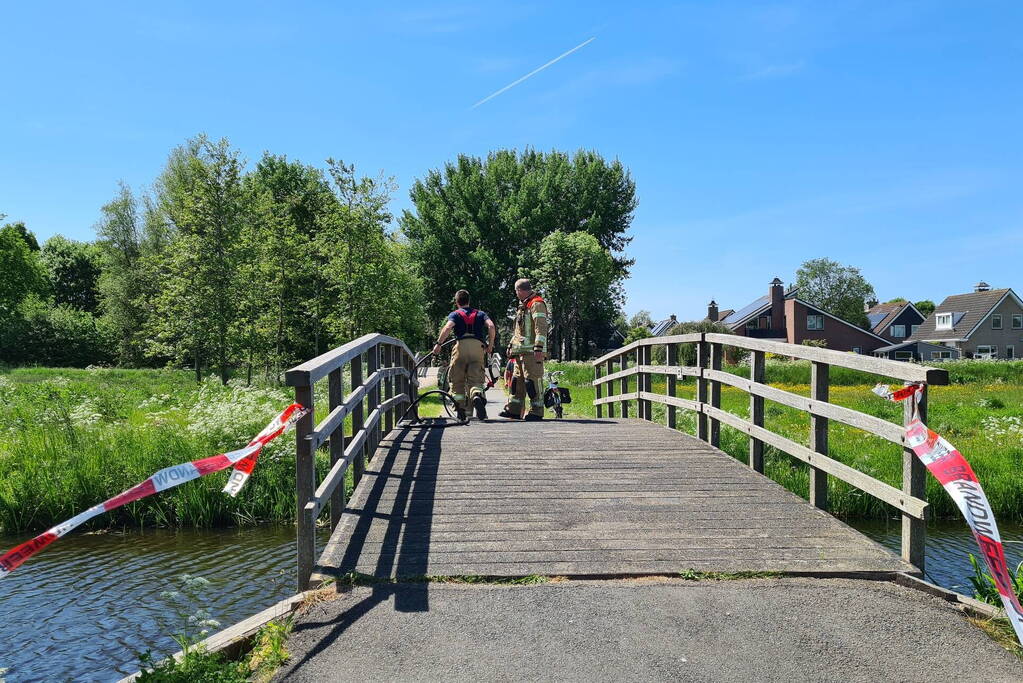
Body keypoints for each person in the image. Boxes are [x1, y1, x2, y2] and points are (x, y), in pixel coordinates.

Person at [433, 290, 496, 421]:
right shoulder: (480, 314)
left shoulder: (455, 314)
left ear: (457, 302)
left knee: (458, 380)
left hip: (460, 347)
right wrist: (490, 345)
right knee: (476, 379)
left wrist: (439, 344)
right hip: (477, 348)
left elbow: (447, 328)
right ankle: (477, 395)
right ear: (469, 301)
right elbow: (491, 326)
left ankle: (460, 408)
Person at [500, 278, 549, 421]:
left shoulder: (536, 304)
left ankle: (536, 411)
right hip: (520, 351)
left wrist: (538, 348)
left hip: (532, 353)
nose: (516, 294)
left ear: (520, 290)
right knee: (516, 382)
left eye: (516, 291)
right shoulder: (523, 306)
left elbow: (541, 327)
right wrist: (511, 345)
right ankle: (514, 410)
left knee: (532, 382)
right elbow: (518, 331)